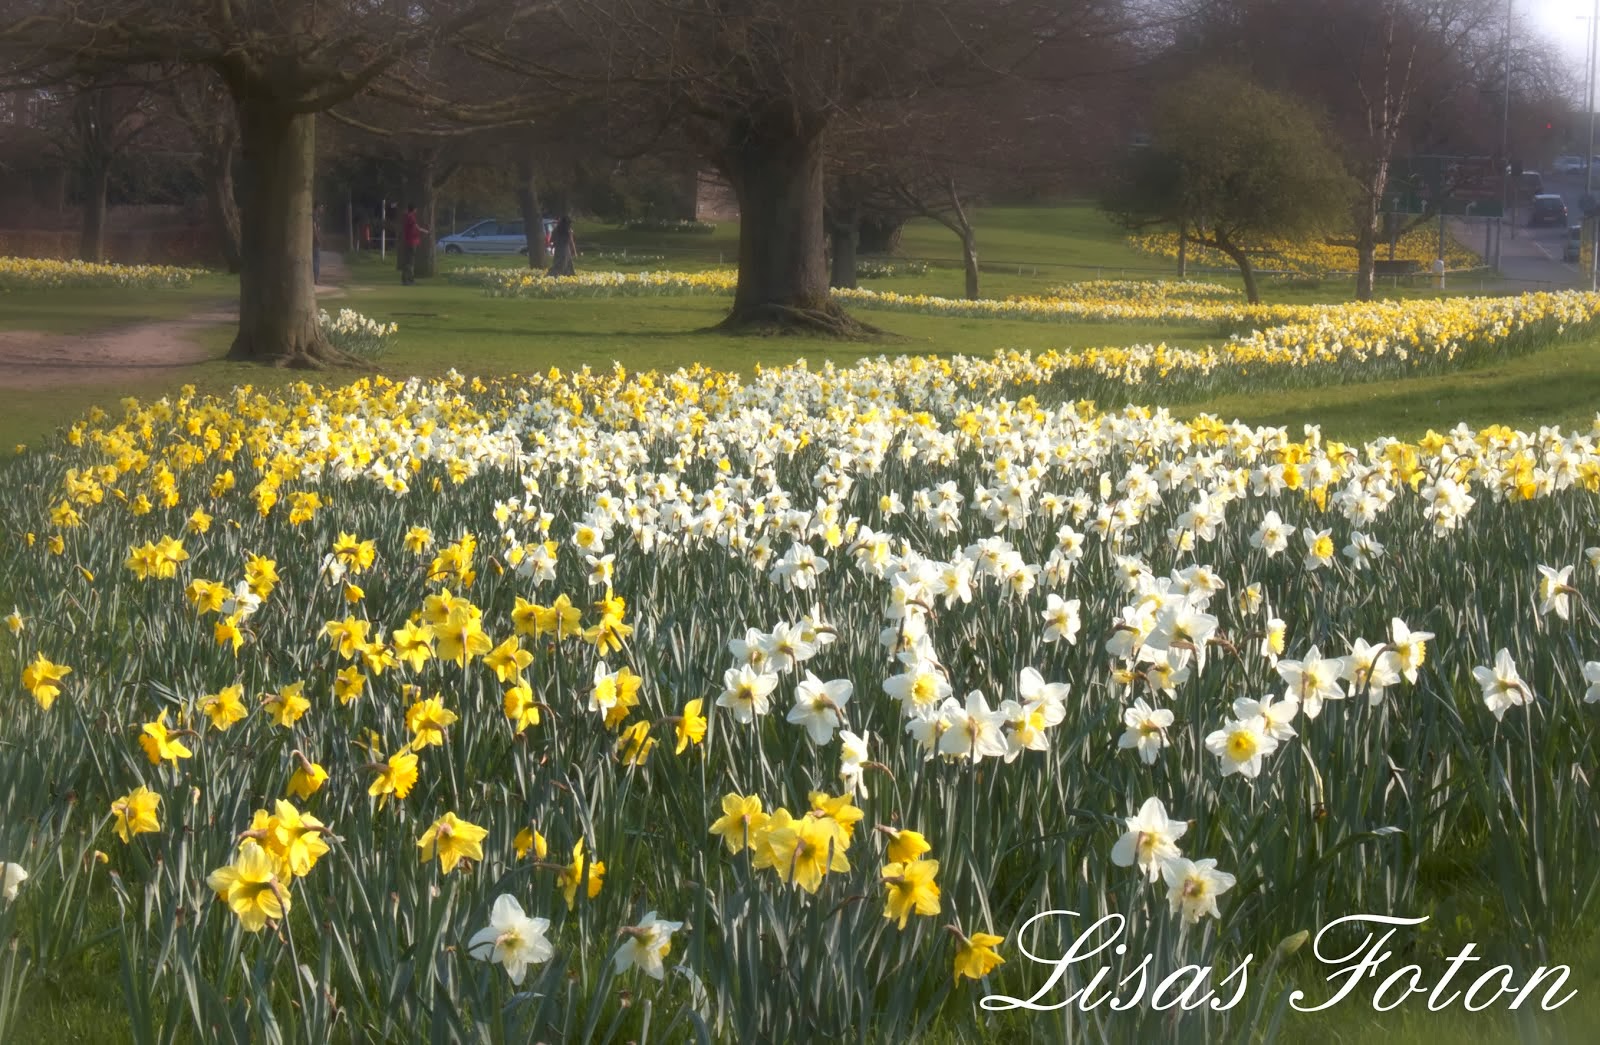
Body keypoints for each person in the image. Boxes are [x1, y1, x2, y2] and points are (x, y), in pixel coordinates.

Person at [400, 203, 428, 285]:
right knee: (410, 262)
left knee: (408, 261)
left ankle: (405, 280)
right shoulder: (411, 217)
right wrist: (426, 231)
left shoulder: (407, 216)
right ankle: (409, 280)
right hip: (412, 242)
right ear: (415, 209)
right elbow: (417, 228)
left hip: (409, 241)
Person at [311, 204, 323, 286]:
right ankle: (316, 279)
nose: (322, 209)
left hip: (316, 240)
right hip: (315, 241)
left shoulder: (317, 215)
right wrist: (317, 238)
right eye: (321, 207)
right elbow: (314, 227)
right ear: (318, 207)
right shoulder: (315, 215)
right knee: (316, 260)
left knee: (316, 259)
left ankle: (316, 278)